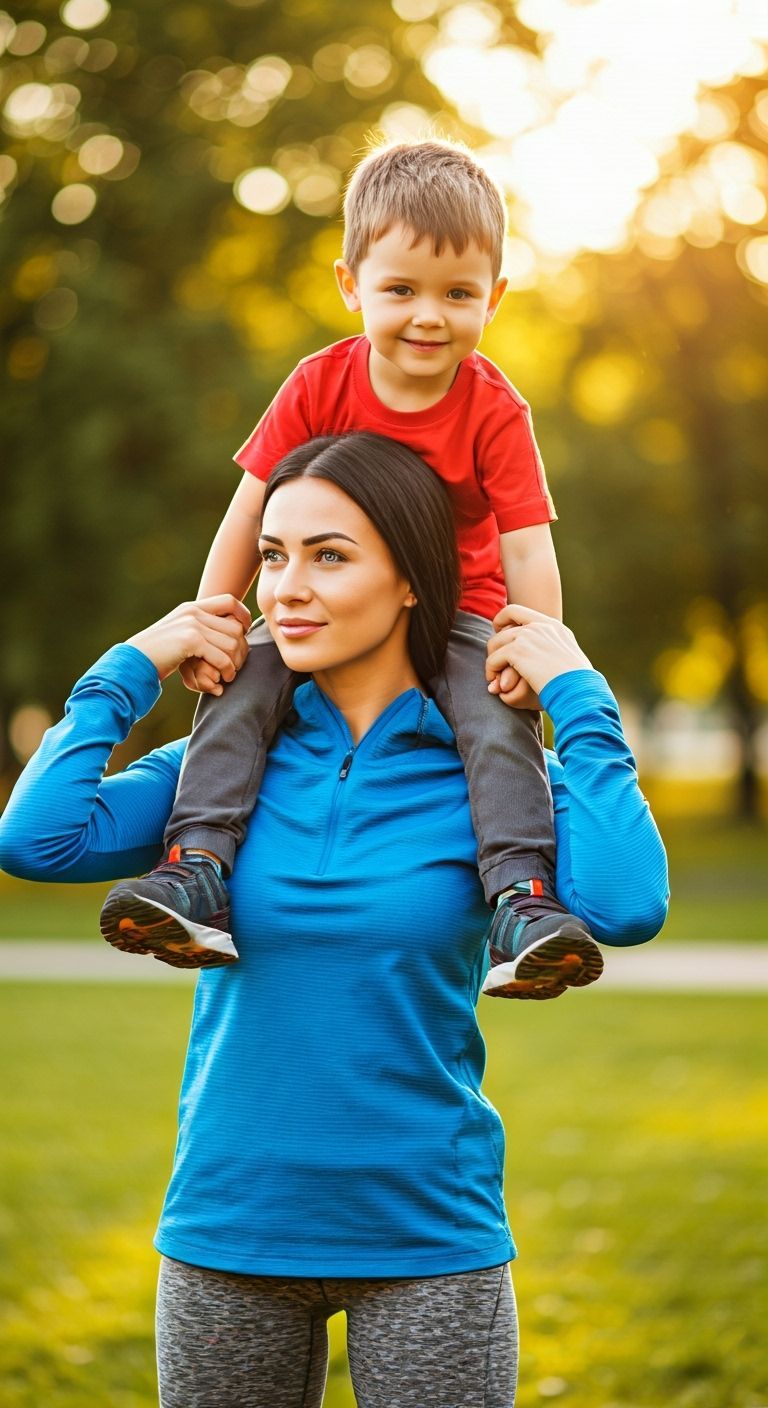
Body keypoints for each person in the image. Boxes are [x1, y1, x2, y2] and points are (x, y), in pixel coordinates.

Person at [0, 434, 667, 1406]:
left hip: (430, 1237)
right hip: (229, 1230)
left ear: (410, 580)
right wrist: (141, 658)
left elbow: (627, 902)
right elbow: (38, 838)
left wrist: (577, 695)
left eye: (330, 555)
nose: (286, 588)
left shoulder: (492, 777)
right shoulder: (223, 769)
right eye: (273, 555)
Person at [97, 139, 602, 998]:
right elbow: (251, 509)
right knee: (242, 687)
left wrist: (531, 649)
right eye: (400, 289)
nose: (428, 316)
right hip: (328, 607)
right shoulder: (319, 383)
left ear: (497, 298)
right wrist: (212, 615)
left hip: (460, 613)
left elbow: (525, 546)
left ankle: (523, 899)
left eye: (458, 294)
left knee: (493, 724)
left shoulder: (493, 407)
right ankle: (195, 872)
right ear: (351, 285)